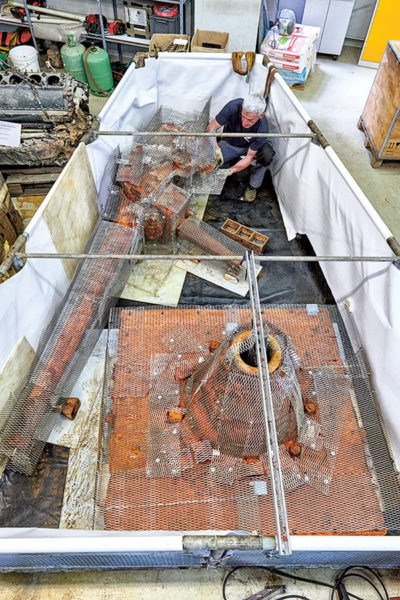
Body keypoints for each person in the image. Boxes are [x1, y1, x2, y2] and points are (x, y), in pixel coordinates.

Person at [206, 94, 275, 202]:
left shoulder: (262, 127)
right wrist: (216, 149)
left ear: (260, 116)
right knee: (210, 158)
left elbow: (249, 157)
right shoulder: (234, 106)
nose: (244, 122)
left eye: (250, 120)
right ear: (242, 108)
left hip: (251, 148)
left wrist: (230, 171)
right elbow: (211, 128)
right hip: (231, 143)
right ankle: (224, 163)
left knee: (267, 154)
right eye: (243, 117)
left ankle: (253, 186)